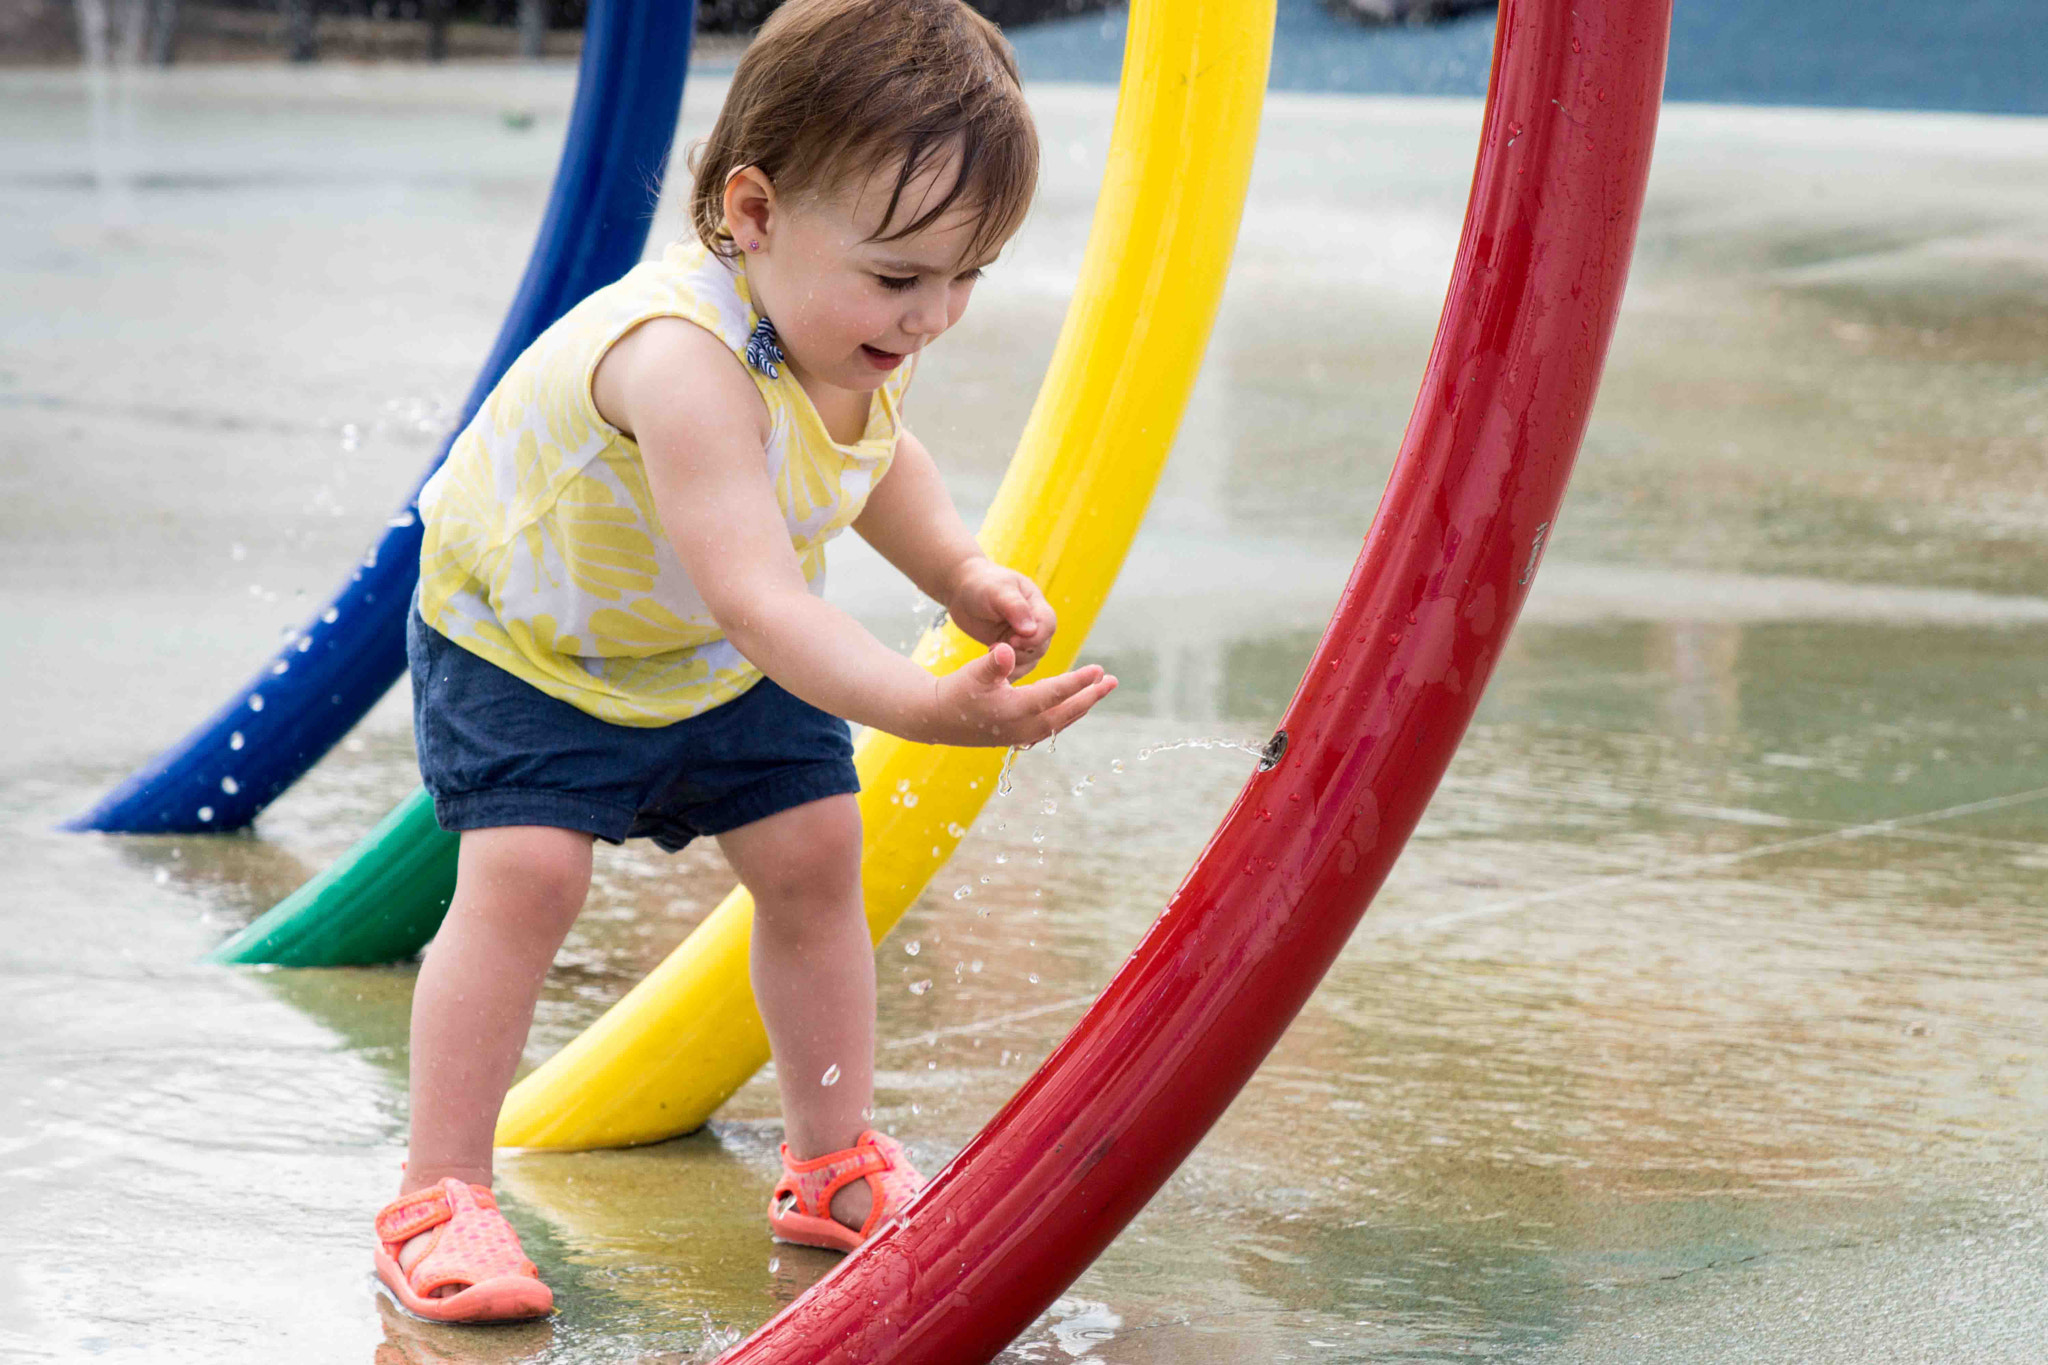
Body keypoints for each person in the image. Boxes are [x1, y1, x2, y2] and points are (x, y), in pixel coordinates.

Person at [371, 0, 1116, 1324]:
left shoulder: (844, 326)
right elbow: (768, 603)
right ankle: (438, 1190)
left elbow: (875, 455)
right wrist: (929, 706)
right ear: (754, 213)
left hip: (706, 649)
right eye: (902, 277)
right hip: (536, 640)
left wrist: (957, 571)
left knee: (818, 856)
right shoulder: (679, 358)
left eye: (966, 276)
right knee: (529, 878)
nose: (934, 314)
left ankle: (831, 1162)